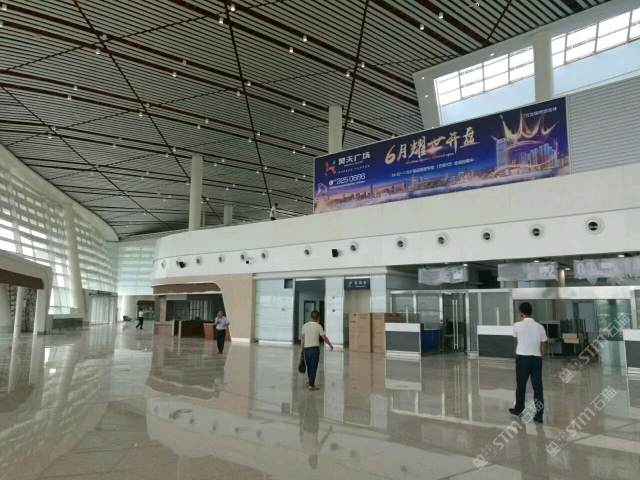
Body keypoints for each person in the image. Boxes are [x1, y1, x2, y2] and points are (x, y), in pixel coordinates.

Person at [510, 302, 547, 423]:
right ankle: (539, 415)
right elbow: (544, 343)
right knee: (537, 387)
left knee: (521, 385)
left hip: (522, 359)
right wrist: (541, 356)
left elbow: (516, 339)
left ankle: (519, 410)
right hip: (536, 359)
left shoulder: (517, 325)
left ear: (521, 313)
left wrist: (520, 321)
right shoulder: (539, 327)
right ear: (531, 312)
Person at [300, 310, 333, 391]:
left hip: (307, 349)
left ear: (310, 316)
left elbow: (303, 339)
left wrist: (302, 349)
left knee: (309, 367)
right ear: (318, 318)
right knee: (313, 368)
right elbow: (324, 337)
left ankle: (310, 381)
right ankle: (311, 385)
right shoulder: (319, 326)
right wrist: (330, 345)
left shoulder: (304, 326)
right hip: (315, 350)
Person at [298, 395, 333, 470]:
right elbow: (300, 434)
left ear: (315, 459)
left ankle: (312, 398)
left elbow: (323, 440)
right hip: (306, 426)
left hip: (314, 428)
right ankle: (310, 397)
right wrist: (300, 423)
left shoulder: (316, 450)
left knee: (313, 410)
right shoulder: (302, 449)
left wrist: (329, 431)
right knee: (308, 410)